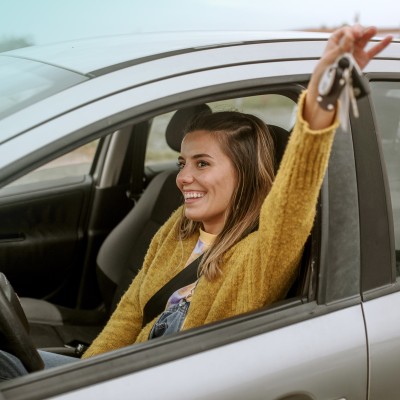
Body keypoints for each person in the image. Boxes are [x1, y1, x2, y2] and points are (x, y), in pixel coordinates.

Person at [0, 25, 392, 379]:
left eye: (202, 164)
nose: (183, 178)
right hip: (117, 375)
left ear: (245, 174)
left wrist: (320, 103)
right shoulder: (179, 227)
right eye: (182, 162)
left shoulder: (259, 256)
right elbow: (130, 314)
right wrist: (83, 381)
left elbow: (291, 205)